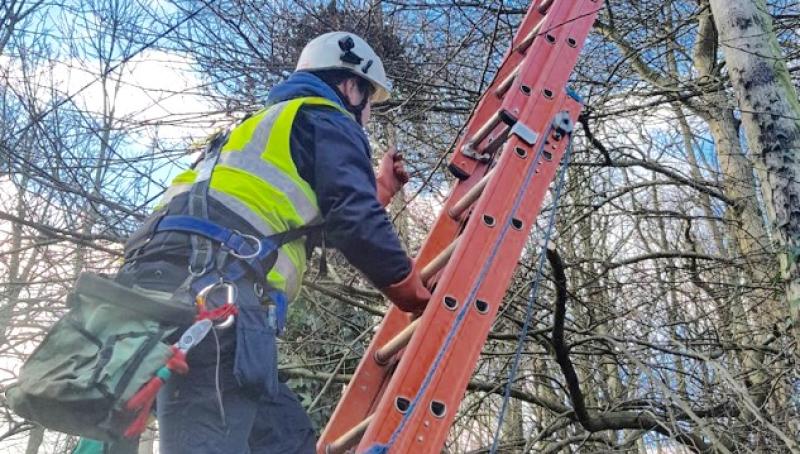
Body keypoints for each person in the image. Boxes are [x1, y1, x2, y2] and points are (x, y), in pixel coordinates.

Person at [114, 31, 431, 453]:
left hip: (167, 294)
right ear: (350, 87)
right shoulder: (326, 116)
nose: (368, 115)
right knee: (208, 435)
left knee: (285, 438)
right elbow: (352, 218)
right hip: (218, 302)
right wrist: (408, 288)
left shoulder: (251, 132)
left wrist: (381, 193)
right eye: (369, 100)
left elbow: (284, 221)